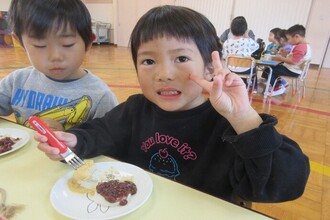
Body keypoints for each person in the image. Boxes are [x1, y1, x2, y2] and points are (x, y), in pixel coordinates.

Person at [35, 5, 310, 206]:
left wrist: (244, 118)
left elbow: (285, 183)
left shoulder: (228, 123)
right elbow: (100, 132)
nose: (164, 73)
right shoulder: (135, 110)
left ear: (209, 66)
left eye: (180, 58)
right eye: (148, 61)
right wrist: (74, 140)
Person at [0, 0, 118, 130]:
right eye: (40, 46)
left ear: (88, 42)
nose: (55, 57)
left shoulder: (101, 97)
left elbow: (111, 142)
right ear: (20, 42)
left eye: (68, 44)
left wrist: (68, 136)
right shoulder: (17, 81)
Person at [261, 24, 312, 96]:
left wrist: (280, 58)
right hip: (294, 69)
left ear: (297, 37)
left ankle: (277, 88)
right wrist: (285, 54)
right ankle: (279, 84)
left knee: (269, 69)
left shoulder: (301, 47)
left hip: (293, 71)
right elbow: (293, 57)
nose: (288, 41)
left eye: (289, 39)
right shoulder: (304, 46)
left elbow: (293, 61)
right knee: (272, 67)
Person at [222, 17, 259, 93]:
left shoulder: (227, 42)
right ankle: (253, 88)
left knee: (239, 67)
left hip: (231, 69)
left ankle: (239, 84)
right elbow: (257, 46)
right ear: (245, 31)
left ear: (231, 30)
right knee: (254, 67)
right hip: (246, 70)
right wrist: (247, 37)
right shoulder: (248, 41)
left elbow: (224, 56)